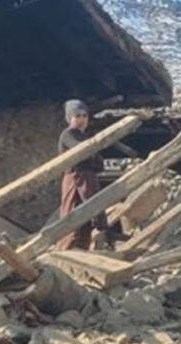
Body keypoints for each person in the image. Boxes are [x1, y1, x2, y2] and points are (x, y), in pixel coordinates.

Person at [56, 99, 108, 250]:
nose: (81, 120)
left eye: (84, 116)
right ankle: (65, 253)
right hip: (75, 179)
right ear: (70, 118)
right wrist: (93, 154)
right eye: (77, 116)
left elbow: (98, 162)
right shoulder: (68, 134)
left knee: (86, 222)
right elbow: (84, 152)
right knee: (72, 220)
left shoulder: (84, 136)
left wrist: (93, 156)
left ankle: (82, 251)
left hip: (87, 179)